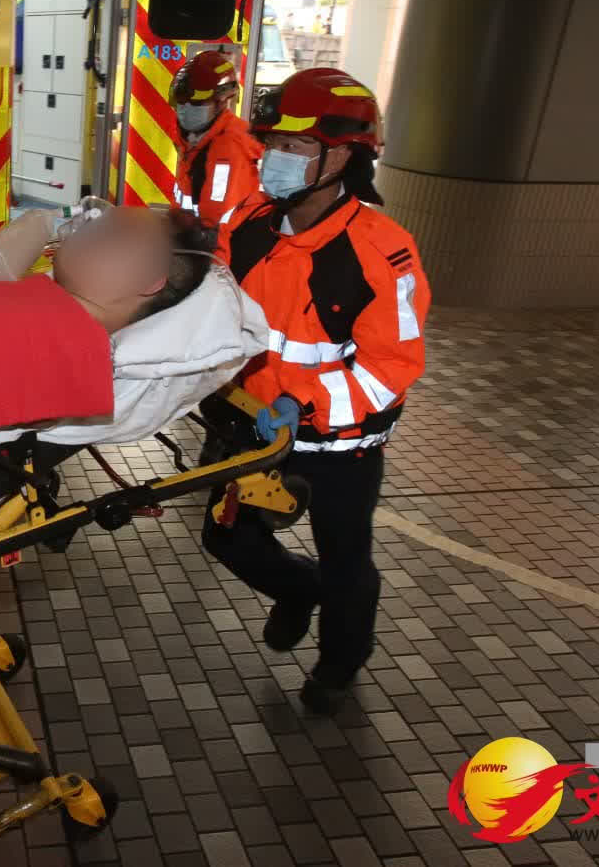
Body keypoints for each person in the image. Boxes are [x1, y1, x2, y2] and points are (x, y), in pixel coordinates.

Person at [210, 67, 430, 715]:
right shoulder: (249, 223)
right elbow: (217, 309)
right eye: (274, 142)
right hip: (252, 428)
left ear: (343, 156)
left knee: (345, 561)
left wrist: (301, 400)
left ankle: (339, 663)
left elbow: (391, 367)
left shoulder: (382, 250)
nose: (276, 156)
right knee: (227, 538)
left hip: (340, 447)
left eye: (298, 145)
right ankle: (296, 590)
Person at [168, 50, 263, 259]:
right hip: (190, 246)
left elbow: (215, 224)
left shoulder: (227, 148)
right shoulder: (197, 139)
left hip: (212, 258)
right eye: (181, 102)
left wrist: (202, 268)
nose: (185, 109)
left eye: (197, 104)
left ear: (222, 102)